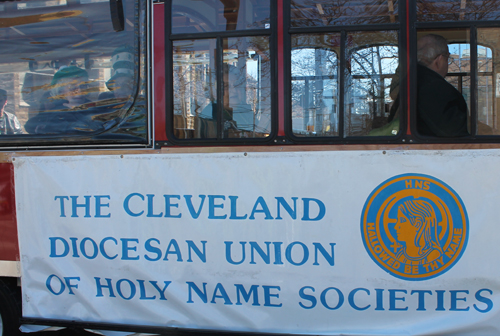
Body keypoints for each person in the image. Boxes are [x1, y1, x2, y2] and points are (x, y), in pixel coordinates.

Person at [417, 34, 468, 137]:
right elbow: (453, 130)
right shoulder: (435, 88)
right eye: (447, 59)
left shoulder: (412, 81)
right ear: (439, 60)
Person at [394, 199, 443, 265]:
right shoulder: (400, 255)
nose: (396, 226)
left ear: (418, 223)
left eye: (402, 220)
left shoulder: (434, 255)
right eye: (398, 220)